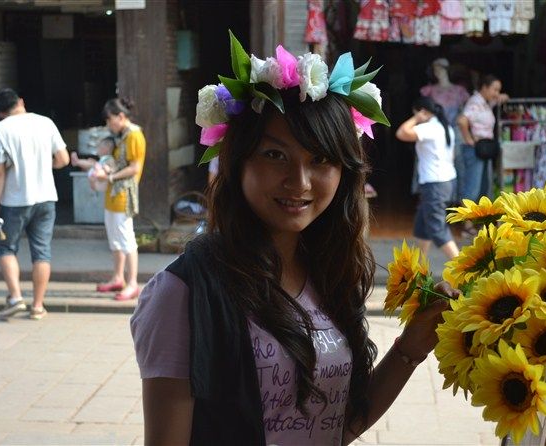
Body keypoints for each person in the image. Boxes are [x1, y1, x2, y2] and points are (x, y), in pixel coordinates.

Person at [130, 40, 457, 444]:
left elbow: (336, 426)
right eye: (274, 155)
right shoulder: (183, 293)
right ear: (238, 162)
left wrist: (411, 347)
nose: (299, 182)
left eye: (320, 160)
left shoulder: (329, 269)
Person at [0, 88, 70, 320]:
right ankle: (38, 306)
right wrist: (43, 166)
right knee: (42, 252)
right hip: (46, 198)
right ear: (21, 102)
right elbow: (62, 159)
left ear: (0, 113)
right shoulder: (45, 123)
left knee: (6, 248)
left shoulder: (0, 129)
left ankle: (15, 298)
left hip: (14, 201)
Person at [396, 96, 459, 259]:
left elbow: (401, 133)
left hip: (435, 184)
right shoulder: (445, 128)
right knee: (422, 227)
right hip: (446, 181)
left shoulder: (429, 128)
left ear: (422, 112)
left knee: (437, 229)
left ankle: (463, 268)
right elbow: (451, 156)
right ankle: (419, 269)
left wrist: (416, 118)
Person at [95, 98, 146, 301]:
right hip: (113, 194)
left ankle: (132, 283)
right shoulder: (122, 135)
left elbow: (134, 168)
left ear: (121, 116)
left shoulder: (134, 135)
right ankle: (118, 278)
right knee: (115, 239)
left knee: (126, 240)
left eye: (110, 120)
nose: (108, 124)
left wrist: (109, 177)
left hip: (124, 194)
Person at [457, 74, 508, 233]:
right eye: (494, 89)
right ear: (484, 87)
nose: (496, 93)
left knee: (483, 185)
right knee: (473, 186)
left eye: (498, 90)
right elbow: (462, 120)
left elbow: (501, 98)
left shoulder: (485, 103)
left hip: (483, 148)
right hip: (475, 149)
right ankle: (467, 224)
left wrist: (500, 96)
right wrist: (469, 139)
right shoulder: (475, 102)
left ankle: (476, 220)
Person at [420, 58, 470, 204]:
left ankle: (461, 203)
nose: (438, 72)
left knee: (459, 166)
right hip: (437, 132)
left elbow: (469, 111)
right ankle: (442, 201)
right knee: (438, 164)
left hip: (456, 131)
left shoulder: (460, 91)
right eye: (435, 69)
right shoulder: (429, 90)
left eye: (441, 69)